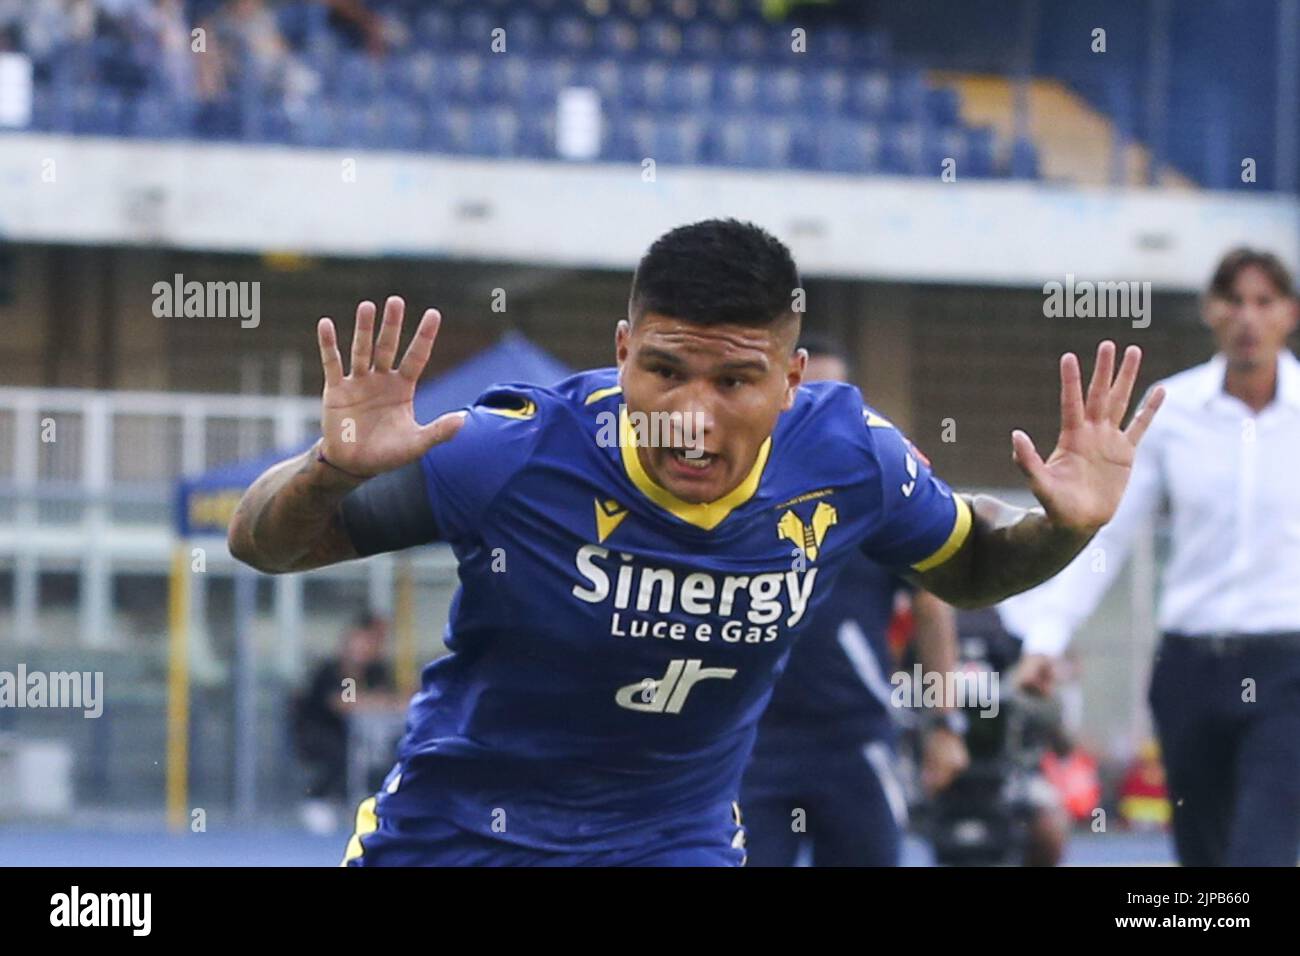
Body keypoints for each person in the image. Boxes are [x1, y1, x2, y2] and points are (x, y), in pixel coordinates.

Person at [228, 218, 1162, 866]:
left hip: (669, 842)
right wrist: (331, 469)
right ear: (623, 348)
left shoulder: (850, 459)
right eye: (664, 371)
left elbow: (973, 572)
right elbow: (262, 544)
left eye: (735, 383)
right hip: (460, 832)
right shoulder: (514, 451)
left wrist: (1064, 529)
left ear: (793, 379)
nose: (691, 418)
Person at [1001, 247, 1300, 866]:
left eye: (1264, 302)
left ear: (1289, 314)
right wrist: (1046, 637)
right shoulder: (1172, 409)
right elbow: (1106, 532)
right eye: (1233, 300)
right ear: (1211, 311)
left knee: (1260, 854)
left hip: (1287, 669)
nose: (1248, 317)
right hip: (1190, 665)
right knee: (1204, 864)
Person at [740, 335, 968, 866]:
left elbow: (933, 606)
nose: (817, 407)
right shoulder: (736, 486)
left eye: (832, 393)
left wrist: (946, 725)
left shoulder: (877, 492)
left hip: (854, 736)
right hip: (749, 737)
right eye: (804, 392)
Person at [292, 611, 398, 832]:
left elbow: (389, 699)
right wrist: (368, 698)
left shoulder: (377, 671)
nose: (370, 647)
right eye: (365, 640)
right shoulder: (332, 669)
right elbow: (342, 703)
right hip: (322, 732)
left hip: (367, 734)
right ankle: (320, 799)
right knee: (343, 749)